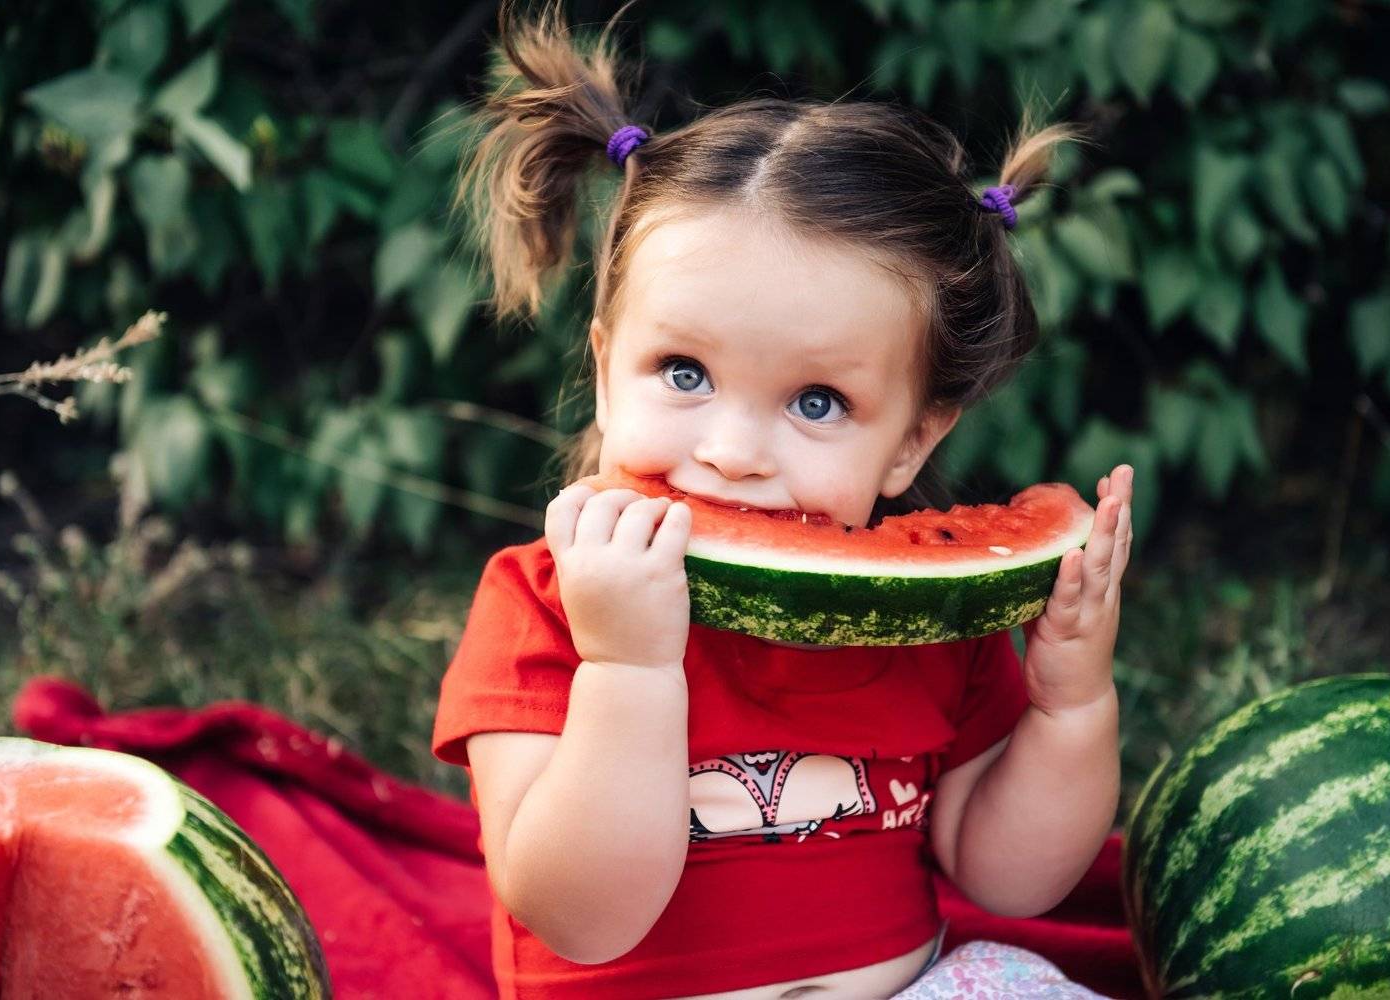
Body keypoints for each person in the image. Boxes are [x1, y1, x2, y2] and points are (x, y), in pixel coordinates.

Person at [432, 3, 1134, 997]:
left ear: (914, 439)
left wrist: (1071, 702)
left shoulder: (932, 622)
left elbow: (1009, 879)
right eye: (683, 373)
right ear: (606, 373)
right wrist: (628, 666)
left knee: (1011, 973)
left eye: (817, 402)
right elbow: (579, 920)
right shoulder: (540, 606)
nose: (730, 455)